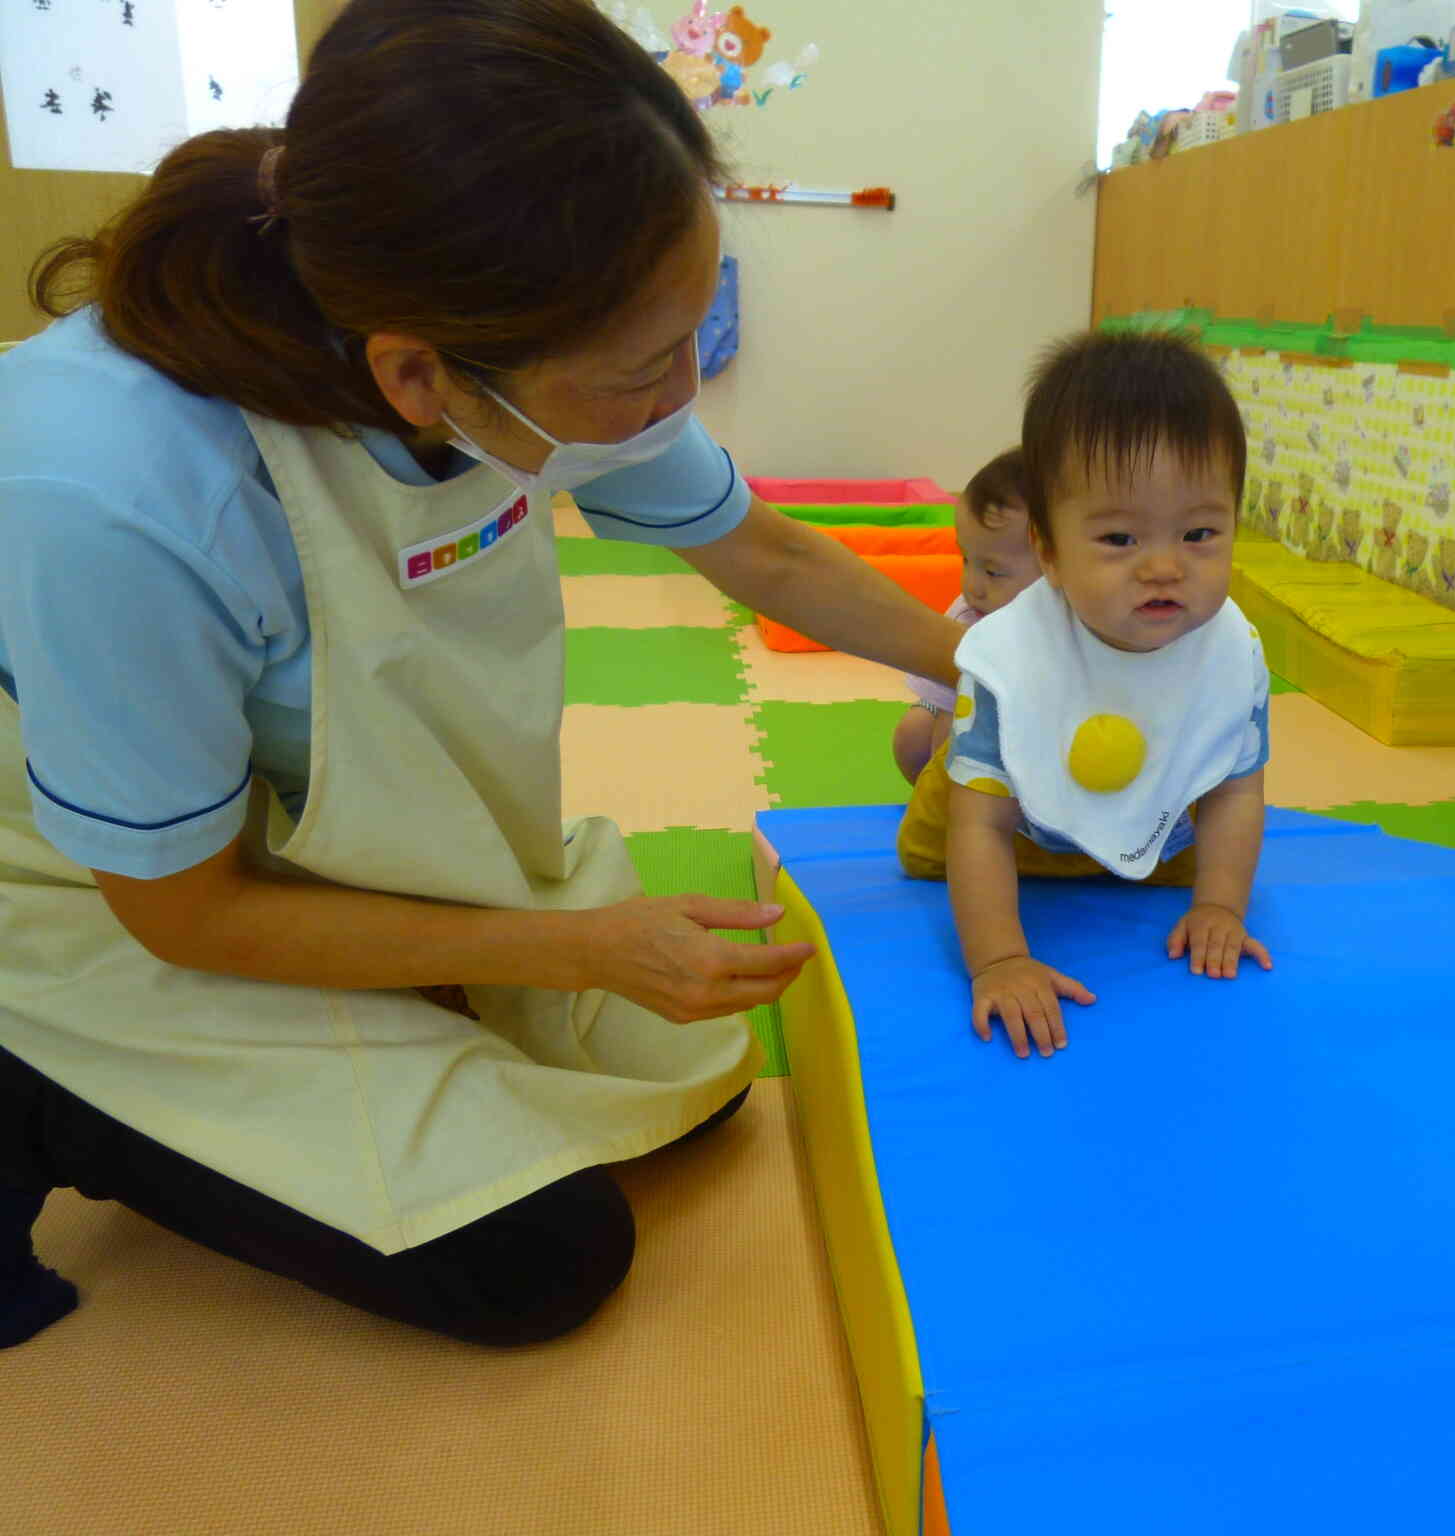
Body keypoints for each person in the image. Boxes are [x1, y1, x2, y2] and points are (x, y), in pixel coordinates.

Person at [0, 0, 963, 1351]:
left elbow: (767, 555)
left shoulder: (518, 321)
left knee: (693, 1077)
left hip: (329, 834)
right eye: (645, 370)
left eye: (693, 333)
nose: (679, 396)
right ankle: (33, 1092)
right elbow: (182, 911)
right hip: (99, 896)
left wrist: (1002, 669)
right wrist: (574, 946)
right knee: (538, 1260)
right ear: (414, 374)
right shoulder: (120, 493)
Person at [895, 332, 1274, 1062]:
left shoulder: (1230, 649)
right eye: (1119, 539)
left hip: (1157, 847)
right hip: (1010, 842)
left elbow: (1234, 789)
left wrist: (1220, 905)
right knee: (934, 830)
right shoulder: (1012, 657)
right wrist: (999, 959)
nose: (1163, 567)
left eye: (1200, 533)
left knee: (1207, 843)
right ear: (1048, 552)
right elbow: (980, 827)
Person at [891, 447, 1040, 784]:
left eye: (993, 572)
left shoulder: (1085, 622)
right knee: (912, 734)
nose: (972, 586)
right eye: (965, 560)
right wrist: (947, 798)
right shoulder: (970, 618)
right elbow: (951, 721)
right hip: (969, 724)